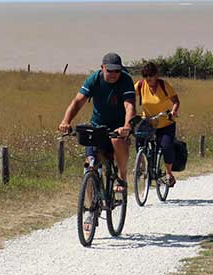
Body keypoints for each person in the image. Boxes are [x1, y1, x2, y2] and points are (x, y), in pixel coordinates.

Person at [58, 53, 136, 229]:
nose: (114, 74)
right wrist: (66, 122)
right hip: (97, 126)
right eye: (110, 70)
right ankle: (91, 211)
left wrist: (126, 126)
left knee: (119, 143)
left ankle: (122, 178)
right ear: (102, 68)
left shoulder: (126, 80)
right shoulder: (94, 79)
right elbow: (78, 101)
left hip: (118, 126)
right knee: (90, 166)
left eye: (117, 70)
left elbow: (129, 106)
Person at [136, 62, 181, 187]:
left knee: (166, 146)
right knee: (139, 140)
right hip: (148, 121)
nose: (148, 78)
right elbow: (128, 96)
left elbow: (176, 101)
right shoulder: (140, 85)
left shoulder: (164, 85)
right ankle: (142, 166)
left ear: (157, 75)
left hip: (165, 122)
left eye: (151, 75)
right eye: (145, 76)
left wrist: (173, 111)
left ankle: (168, 173)